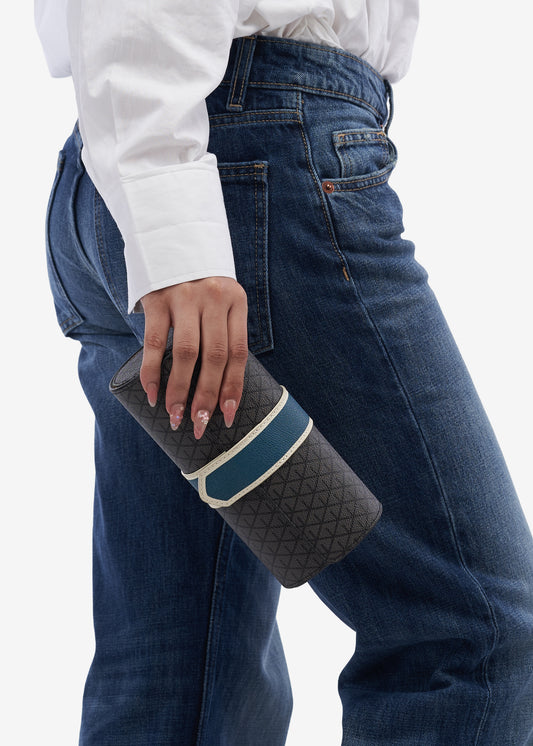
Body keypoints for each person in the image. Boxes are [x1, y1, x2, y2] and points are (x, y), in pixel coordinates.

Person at [34, 1, 533, 744]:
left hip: (156, 160)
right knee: (469, 636)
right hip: (240, 163)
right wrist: (174, 227)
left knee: (182, 672)